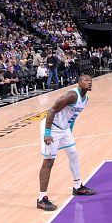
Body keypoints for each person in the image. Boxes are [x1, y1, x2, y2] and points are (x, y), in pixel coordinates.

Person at [37, 74, 96, 211]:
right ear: (79, 83)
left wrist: (69, 131)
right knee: (49, 161)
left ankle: (77, 187)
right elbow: (51, 110)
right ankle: (41, 198)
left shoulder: (85, 98)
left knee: (73, 154)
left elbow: (72, 117)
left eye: (91, 80)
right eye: (86, 80)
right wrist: (47, 133)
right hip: (51, 128)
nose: (89, 82)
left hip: (64, 130)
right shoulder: (71, 95)